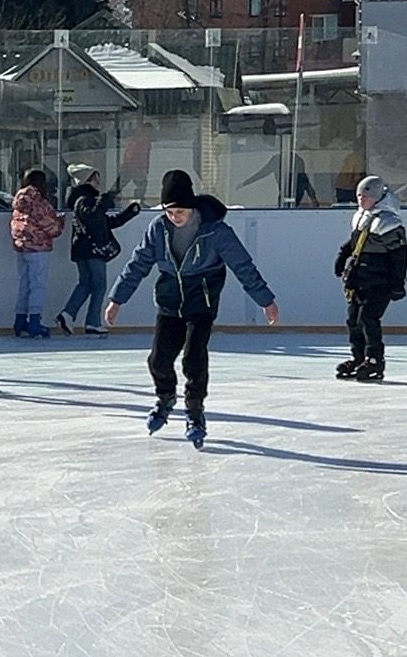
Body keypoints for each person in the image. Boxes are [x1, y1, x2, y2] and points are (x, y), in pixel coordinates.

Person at [105, 169, 280, 450]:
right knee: (158, 360)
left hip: (202, 301)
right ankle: (165, 398)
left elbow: (242, 265)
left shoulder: (215, 231)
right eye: (169, 212)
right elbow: (138, 264)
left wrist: (265, 301)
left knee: (193, 358)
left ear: (192, 207)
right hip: (170, 302)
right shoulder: (158, 229)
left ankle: (195, 412)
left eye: (180, 212)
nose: (175, 217)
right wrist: (117, 299)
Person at [334, 175, 407, 382]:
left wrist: (398, 283)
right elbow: (354, 241)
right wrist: (343, 257)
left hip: (380, 280)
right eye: (359, 196)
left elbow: (400, 255)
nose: (361, 199)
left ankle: (375, 360)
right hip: (360, 278)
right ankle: (359, 358)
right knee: (353, 319)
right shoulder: (362, 217)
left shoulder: (389, 222)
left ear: (378, 197)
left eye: (366, 196)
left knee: (368, 318)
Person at [56, 164, 141, 338]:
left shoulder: (83, 200)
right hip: (92, 249)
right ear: (89, 179)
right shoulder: (84, 200)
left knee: (86, 283)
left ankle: (68, 314)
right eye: (96, 178)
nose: (98, 182)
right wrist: (105, 200)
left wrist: (129, 213)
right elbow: (95, 217)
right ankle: (92, 323)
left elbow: (106, 222)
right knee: (99, 284)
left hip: (83, 249)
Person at [9, 168, 65, 340]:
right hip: (38, 248)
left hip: (22, 248)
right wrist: (60, 222)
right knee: (38, 285)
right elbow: (52, 228)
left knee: (24, 285)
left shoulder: (19, 201)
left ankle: (20, 321)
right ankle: (34, 322)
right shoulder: (38, 202)